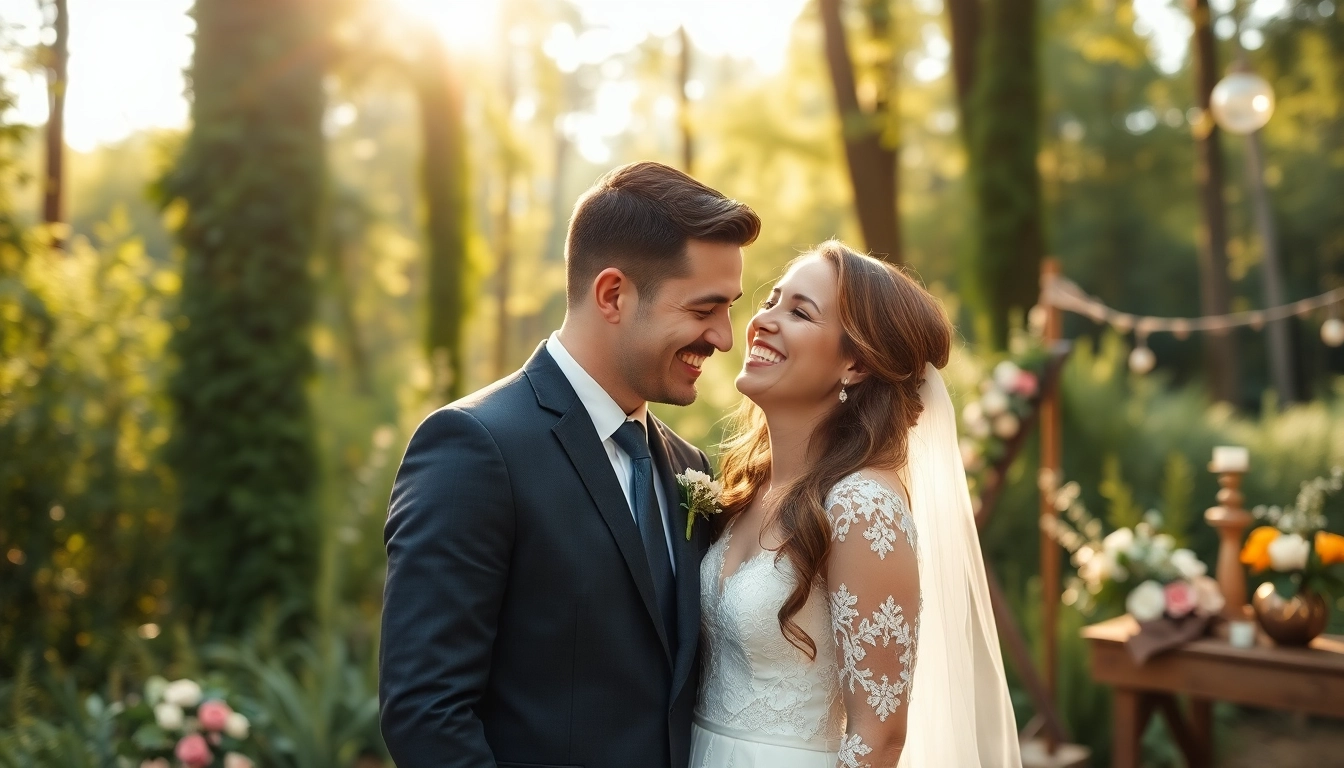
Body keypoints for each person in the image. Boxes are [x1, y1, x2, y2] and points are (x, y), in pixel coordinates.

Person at [378, 161, 760, 768]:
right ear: (613, 294)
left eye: (729, 308)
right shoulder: (474, 448)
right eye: (703, 309)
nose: (724, 338)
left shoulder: (690, 466)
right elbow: (426, 712)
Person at [693, 241, 1021, 767]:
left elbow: (880, 734)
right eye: (771, 300)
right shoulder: (745, 489)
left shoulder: (863, 506)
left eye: (799, 311)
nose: (763, 321)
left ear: (856, 366)